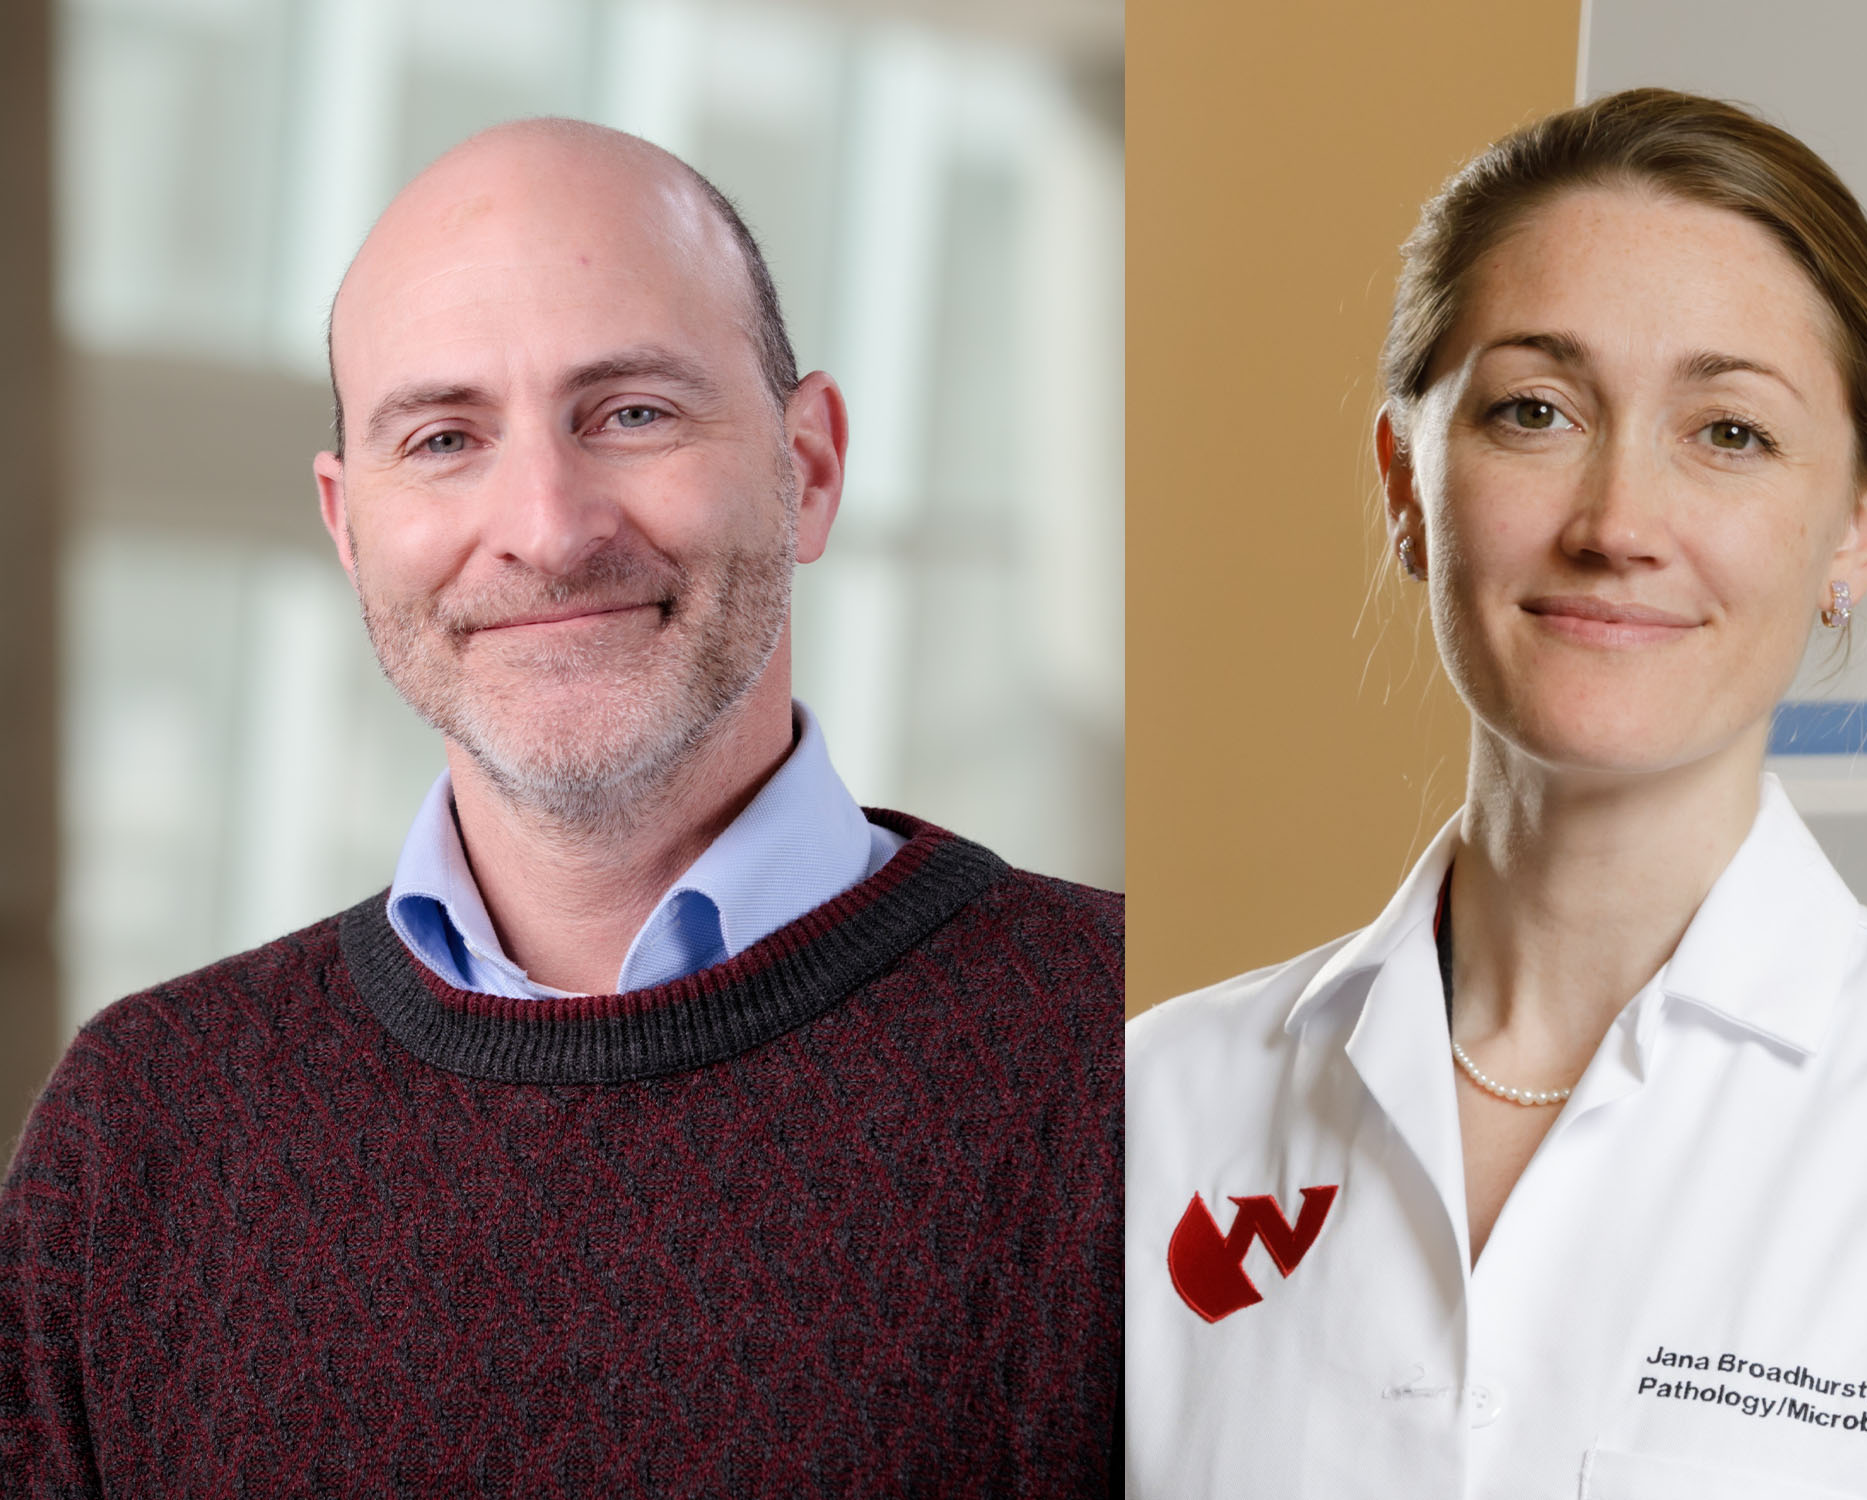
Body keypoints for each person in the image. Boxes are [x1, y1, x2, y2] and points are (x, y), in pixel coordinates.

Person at [1125, 89, 1867, 1496]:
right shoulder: (1142, 1114)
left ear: (1858, 526)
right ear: (1405, 487)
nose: (1614, 526)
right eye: (1533, 411)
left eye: (1726, 434)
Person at [0, 119, 1121, 1496]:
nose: (546, 522)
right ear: (350, 530)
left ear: (810, 468)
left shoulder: (1152, 1055)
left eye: (631, 412)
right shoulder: (142, 1129)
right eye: (444, 437)